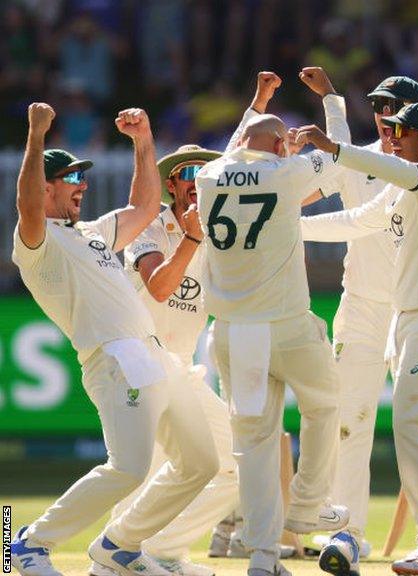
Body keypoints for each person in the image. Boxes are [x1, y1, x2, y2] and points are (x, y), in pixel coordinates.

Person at [10, 104, 218, 576]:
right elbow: (26, 203)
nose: (82, 185)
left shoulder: (92, 233)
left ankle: (119, 546)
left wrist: (144, 141)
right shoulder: (36, 242)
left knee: (202, 462)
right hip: (114, 358)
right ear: (46, 187)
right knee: (129, 467)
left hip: (156, 355)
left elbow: (145, 208)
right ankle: (25, 543)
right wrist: (36, 133)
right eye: (70, 178)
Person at [296, 102, 418, 576]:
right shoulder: (405, 187)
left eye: (403, 131)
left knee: (412, 424)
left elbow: (380, 164)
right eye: (391, 129)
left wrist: (331, 146)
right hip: (417, 319)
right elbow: (356, 220)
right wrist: (288, 228)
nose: (393, 136)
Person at [195, 85, 350, 576]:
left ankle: (263, 556)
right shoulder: (287, 173)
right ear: (282, 146)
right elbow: (339, 154)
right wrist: (331, 102)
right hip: (285, 323)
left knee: (254, 445)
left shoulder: (206, 175)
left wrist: (258, 108)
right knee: (324, 405)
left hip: (234, 332)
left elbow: (237, 151)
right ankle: (307, 506)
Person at [86, 144, 236, 576]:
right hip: (138, 365)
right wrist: (191, 237)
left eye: (205, 173)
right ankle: (111, 562)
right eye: (187, 172)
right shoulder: (150, 225)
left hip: (182, 369)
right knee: (138, 475)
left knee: (233, 463)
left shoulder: (224, 231)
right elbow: (159, 287)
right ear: (171, 184)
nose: (196, 180)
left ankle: (161, 552)